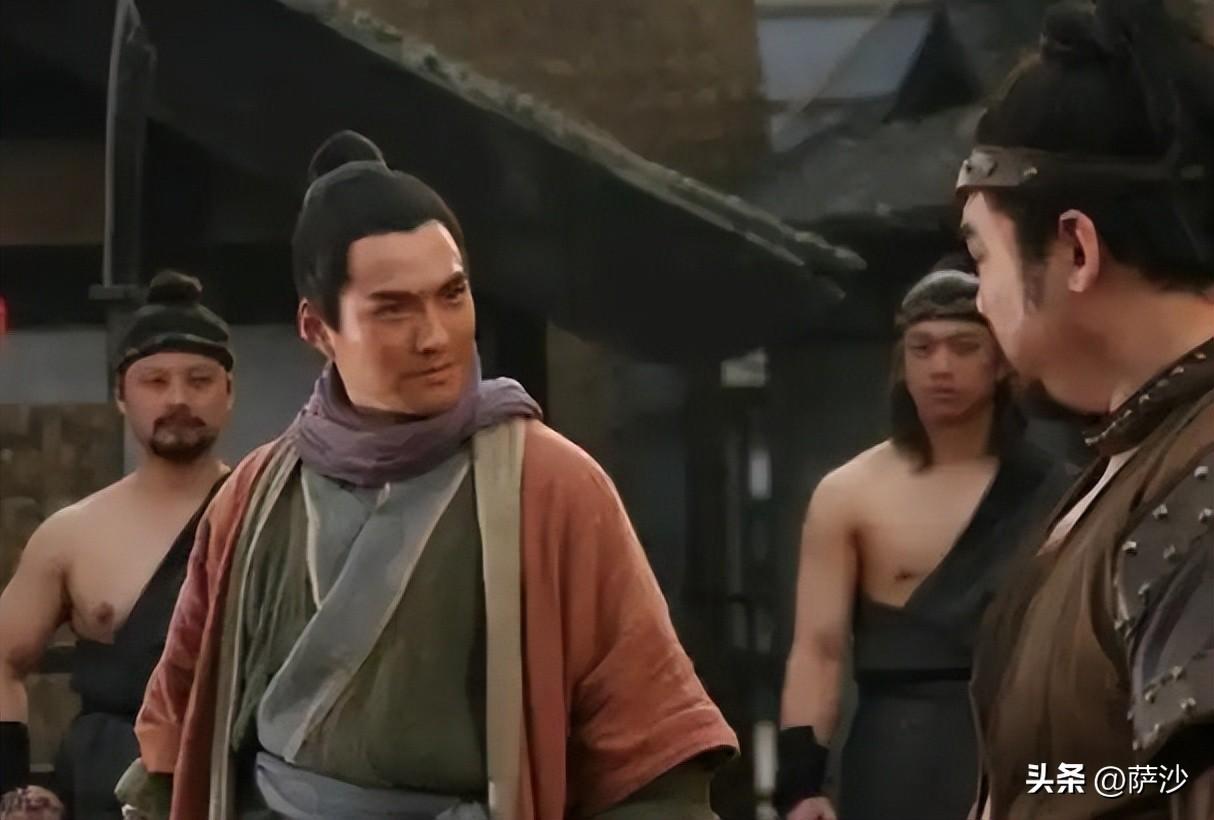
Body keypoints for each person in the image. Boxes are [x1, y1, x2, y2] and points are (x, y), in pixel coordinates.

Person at [114, 132, 738, 820]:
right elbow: (179, 716)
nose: (435, 336)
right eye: (394, 309)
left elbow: (648, 738)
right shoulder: (253, 497)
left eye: (452, 295)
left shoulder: (551, 486)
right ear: (317, 328)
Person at [955, 2, 1214, 818]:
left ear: (1075, 249)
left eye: (981, 254)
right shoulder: (1140, 456)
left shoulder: (1198, 473)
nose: (979, 299)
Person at [775, 260, 1072, 820]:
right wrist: (800, 785)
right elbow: (819, 649)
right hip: (894, 753)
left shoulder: (1061, 494)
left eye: (964, 347)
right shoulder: (848, 494)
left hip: (1024, 751)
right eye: (923, 348)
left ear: (1001, 362)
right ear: (902, 364)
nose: (941, 367)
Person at [0, 271, 235, 819]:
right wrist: (9, 788)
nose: (178, 398)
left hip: (233, 782)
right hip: (104, 785)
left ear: (229, 391)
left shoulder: (269, 513)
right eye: (155, 381)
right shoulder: (71, 534)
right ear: (121, 396)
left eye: (199, 380)